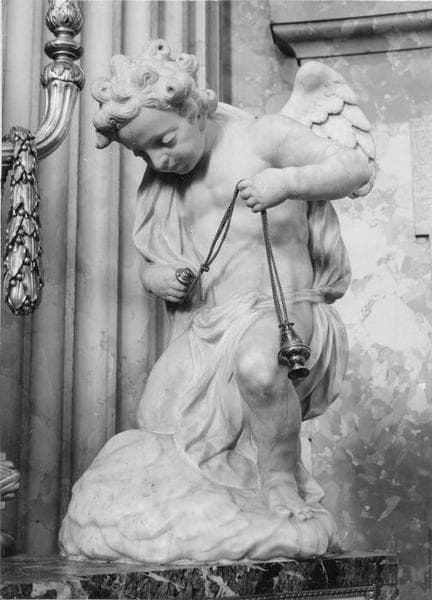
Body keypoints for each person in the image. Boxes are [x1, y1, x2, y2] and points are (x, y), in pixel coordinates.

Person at [91, 40, 372, 522]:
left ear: (192, 110)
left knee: (258, 369)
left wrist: (288, 182)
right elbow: (153, 259)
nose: (159, 162)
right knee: (156, 422)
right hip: (211, 324)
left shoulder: (264, 137)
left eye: (165, 141)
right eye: (142, 153)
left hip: (283, 310)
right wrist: (160, 277)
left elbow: (354, 168)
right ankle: (213, 509)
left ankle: (279, 481)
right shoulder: (167, 183)